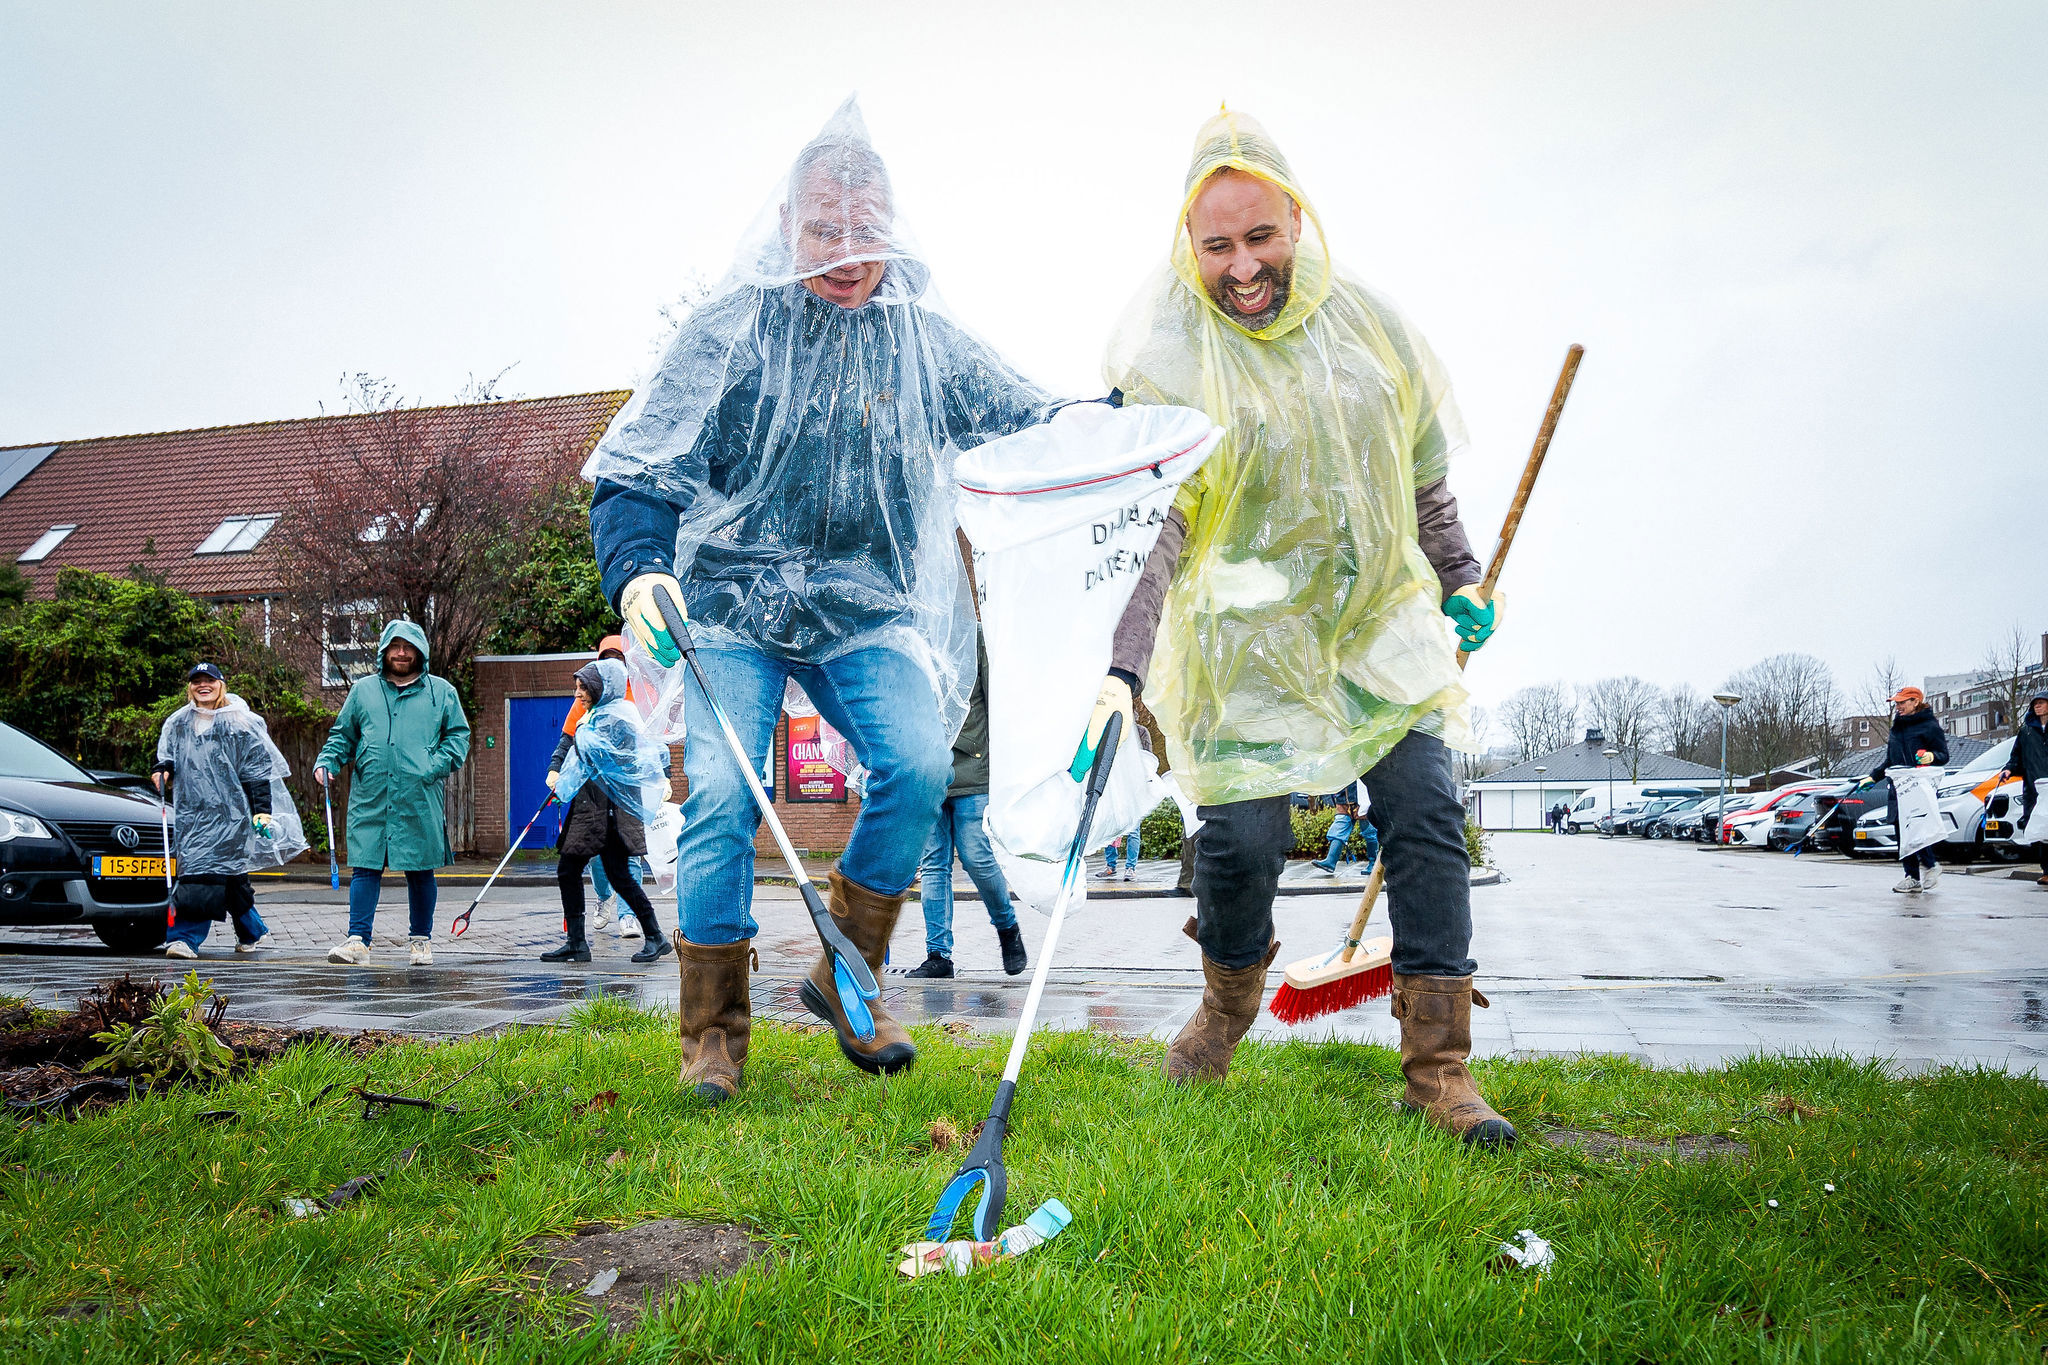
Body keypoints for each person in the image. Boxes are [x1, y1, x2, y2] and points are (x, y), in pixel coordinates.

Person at [582, 100, 1051, 1101]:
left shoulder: (919, 344)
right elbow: (634, 470)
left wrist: (1126, 431)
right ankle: (713, 1033)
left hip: (860, 608)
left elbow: (1031, 418)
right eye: (823, 227)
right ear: (787, 225)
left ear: (893, 227)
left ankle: (850, 974)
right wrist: (639, 570)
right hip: (729, 607)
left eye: (863, 227)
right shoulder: (730, 332)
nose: (845, 250)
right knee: (718, 793)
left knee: (920, 763)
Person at [1096, 108, 1514, 1147]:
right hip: (1243, 652)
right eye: (1217, 246)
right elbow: (1152, 529)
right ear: (1187, 249)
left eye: (1261, 237)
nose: (1242, 266)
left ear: (1299, 221)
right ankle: (1225, 1008)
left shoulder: (1369, 327)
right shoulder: (1167, 360)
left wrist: (1459, 578)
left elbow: (1419, 477)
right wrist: (1123, 665)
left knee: (1424, 819)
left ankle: (1439, 1072)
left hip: (1374, 627)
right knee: (1238, 845)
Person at [315, 620, 471, 965]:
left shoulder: (441, 692)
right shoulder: (363, 691)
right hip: (371, 793)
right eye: (395, 647)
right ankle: (358, 940)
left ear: (420, 652)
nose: (401, 653)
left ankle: (421, 941)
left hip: (419, 794)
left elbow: (458, 738)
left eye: (408, 647)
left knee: (420, 868)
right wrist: (327, 762)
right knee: (365, 865)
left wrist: (432, 766)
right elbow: (343, 735)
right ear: (384, 650)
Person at [151, 663, 308, 958]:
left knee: (203, 877)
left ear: (221, 684)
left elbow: (257, 769)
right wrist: (162, 771)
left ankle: (184, 938)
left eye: (209, 680)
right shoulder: (179, 722)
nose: (203, 685)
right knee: (230, 879)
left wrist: (262, 810)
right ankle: (252, 930)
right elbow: (167, 756)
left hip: (231, 817)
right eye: (196, 681)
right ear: (190, 687)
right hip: (192, 816)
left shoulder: (238, 722)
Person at [905, 641, 1028, 979]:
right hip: (927, 771)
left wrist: (1004, 770)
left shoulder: (973, 639)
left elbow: (997, 706)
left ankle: (1007, 929)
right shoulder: (914, 637)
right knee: (933, 865)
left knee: (976, 857)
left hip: (973, 771)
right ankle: (938, 955)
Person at [542, 660, 673, 964]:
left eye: (584, 687)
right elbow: (579, 755)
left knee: (584, 871)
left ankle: (588, 942)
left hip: (607, 813)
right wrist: (562, 779)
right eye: (578, 687)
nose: (579, 693)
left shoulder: (616, 720)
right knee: (610, 874)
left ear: (602, 687)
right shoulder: (598, 716)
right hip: (594, 809)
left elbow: (603, 761)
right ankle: (650, 936)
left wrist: (565, 781)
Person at [547, 634, 651, 938]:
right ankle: (605, 899)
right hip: (591, 797)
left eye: (618, 659)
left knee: (628, 858)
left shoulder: (638, 697)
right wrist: (556, 770)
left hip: (624, 793)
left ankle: (630, 918)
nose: (612, 665)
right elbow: (568, 740)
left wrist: (665, 776)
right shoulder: (586, 698)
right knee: (597, 859)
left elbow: (650, 743)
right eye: (606, 660)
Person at [1871, 686, 1949, 894]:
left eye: (1902, 703)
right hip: (1898, 789)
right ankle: (1912, 877)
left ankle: (1931, 866)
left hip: (1918, 789)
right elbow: (1890, 760)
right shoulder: (1897, 728)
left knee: (1918, 830)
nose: (1898, 707)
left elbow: (1943, 755)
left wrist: (1931, 757)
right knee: (1903, 834)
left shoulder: (1929, 726)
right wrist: (1873, 776)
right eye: (1896, 703)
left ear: (1915, 702)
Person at [1999, 690, 2048, 885]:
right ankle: (2046, 870)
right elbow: (2016, 756)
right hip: (2034, 788)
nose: (2038, 706)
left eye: (2042, 703)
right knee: (2040, 831)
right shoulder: (2026, 730)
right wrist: (2008, 770)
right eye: (2035, 703)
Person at [1310, 785, 1360, 874]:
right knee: (1339, 828)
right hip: (1343, 798)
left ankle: (1373, 863)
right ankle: (1330, 861)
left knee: (1369, 832)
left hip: (1363, 799)